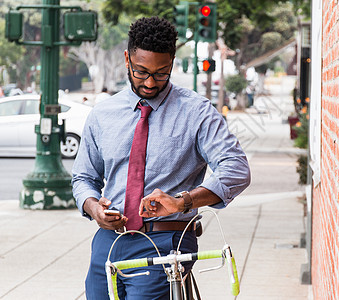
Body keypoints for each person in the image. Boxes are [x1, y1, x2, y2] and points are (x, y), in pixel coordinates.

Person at [72, 16, 250, 299]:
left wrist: (182, 201)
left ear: (172, 61)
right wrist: (93, 207)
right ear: (127, 59)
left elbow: (236, 169)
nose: (151, 82)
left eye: (162, 72)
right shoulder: (103, 114)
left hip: (167, 241)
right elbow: (83, 177)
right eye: (141, 71)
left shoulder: (196, 112)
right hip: (109, 242)